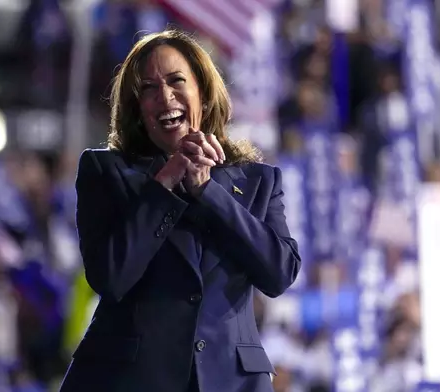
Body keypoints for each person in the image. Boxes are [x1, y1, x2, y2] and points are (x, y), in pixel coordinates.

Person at [59, 29, 301, 392]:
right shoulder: (106, 172)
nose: (165, 97)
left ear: (202, 93)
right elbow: (110, 278)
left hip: (230, 382)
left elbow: (279, 273)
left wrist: (207, 191)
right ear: (138, 110)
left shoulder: (259, 181)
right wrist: (164, 183)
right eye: (149, 89)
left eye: (176, 82)